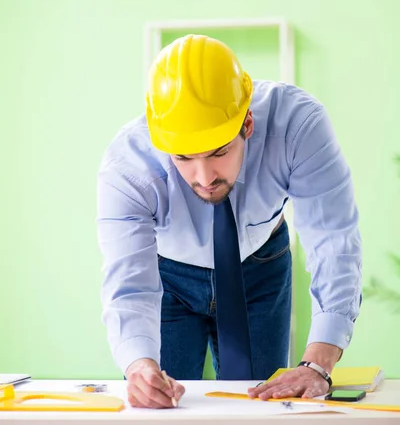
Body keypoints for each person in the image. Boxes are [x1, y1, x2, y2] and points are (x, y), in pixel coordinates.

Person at [97, 34, 362, 409]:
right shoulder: (128, 167)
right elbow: (128, 281)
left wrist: (317, 364)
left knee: (260, 406)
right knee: (161, 405)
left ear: (248, 123)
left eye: (219, 151)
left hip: (260, 266)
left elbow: (334, 240)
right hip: (168, 278)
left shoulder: (298, 126)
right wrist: (139, 366)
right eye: (184, 158)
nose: (204, 177)